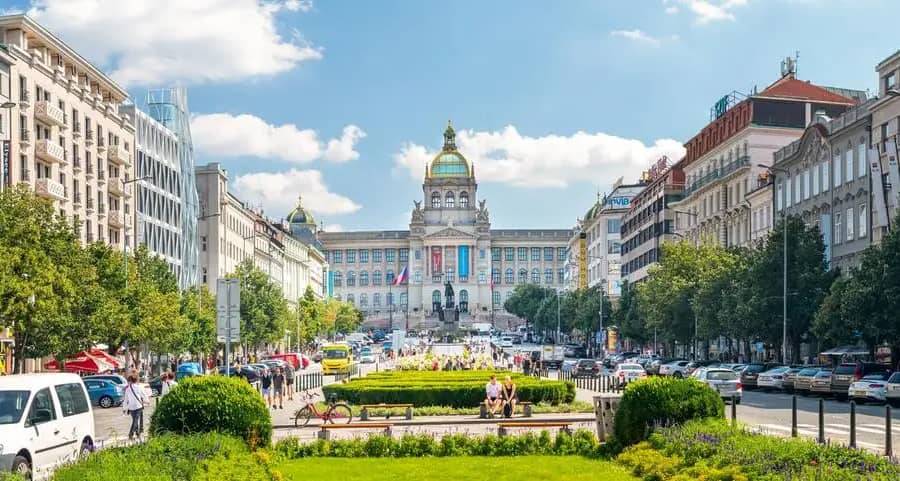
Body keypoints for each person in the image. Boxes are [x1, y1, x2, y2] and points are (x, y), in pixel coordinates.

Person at [123, 373, 147, 441]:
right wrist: (147, 401)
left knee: (135, 420)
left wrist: (124, 408)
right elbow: (144, 395)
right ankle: (130, 434)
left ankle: (137, 433)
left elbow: (126, 399)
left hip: (131, 407)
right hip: (138, 406)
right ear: (136, 380)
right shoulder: (139, 387)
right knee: (135, 421)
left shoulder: (128, 389)